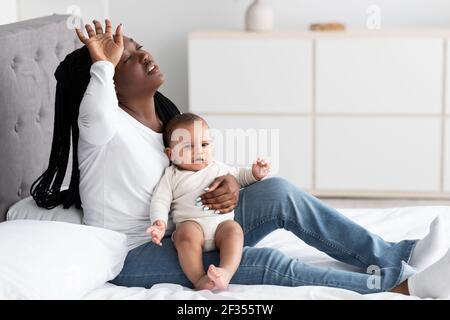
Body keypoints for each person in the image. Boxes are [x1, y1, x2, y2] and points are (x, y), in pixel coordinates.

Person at [30, 19, 450, 298]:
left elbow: (192, 170)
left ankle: (397, 254)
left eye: (137, 47)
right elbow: (97, 104)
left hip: (191, 220)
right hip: (138, 252)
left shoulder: (164, 119)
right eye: (126, 58)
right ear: (106, 83)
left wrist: (232, 182)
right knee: (260, 262)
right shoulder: (101, 127)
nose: (141, 54)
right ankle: (394, 288)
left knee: (279, 191)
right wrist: (101, 63)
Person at [146, 113, 270, 290]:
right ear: (170, 154)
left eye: (204, 144)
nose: (199, 151)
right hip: (192, 227)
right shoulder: (171, 175)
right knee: (185, 234)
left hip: (221, 226)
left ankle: (225, 272)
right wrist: (159, 222)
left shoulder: (218, 168)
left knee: (234, 230)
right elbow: (160, 200)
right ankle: (199, 279)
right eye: (188, 146)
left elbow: (240, 177)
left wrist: (256, 173)